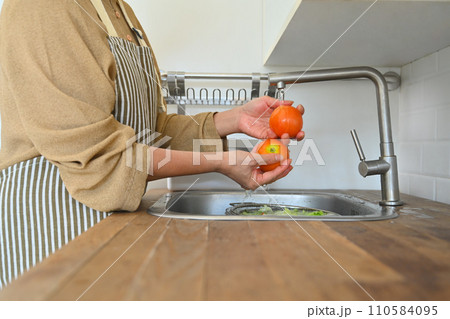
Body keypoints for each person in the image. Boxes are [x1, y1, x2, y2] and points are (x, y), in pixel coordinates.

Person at [0, 0, 304, 289]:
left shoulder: (121, 13)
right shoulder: (44, 8)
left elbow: (150, 131)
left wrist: (235, 118)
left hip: (112, 226)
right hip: (56, 230)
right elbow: (98, 156)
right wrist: (218, 163)